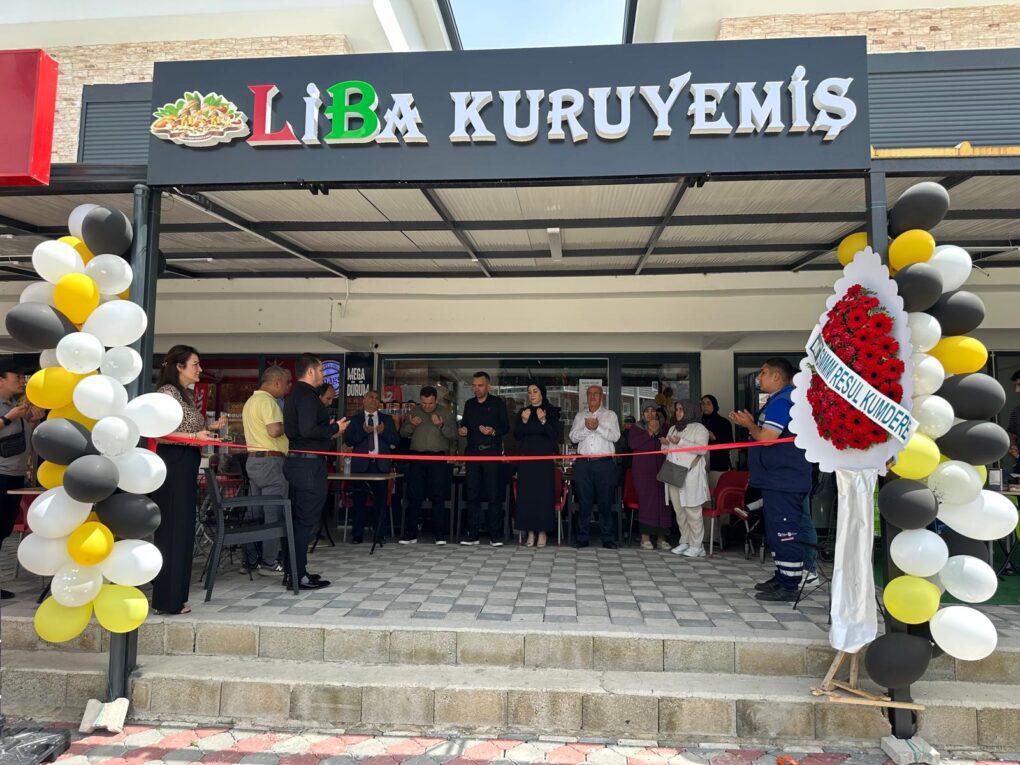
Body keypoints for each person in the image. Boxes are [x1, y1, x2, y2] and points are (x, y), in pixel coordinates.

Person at [150, 345, 227, 615]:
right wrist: (195, 437)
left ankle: (177, 597)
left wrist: (208, 429)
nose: (200, 369)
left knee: (183, 529)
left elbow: (183, 428)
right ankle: (167, 599)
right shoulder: (167, 394)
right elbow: (158, 432)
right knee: (172, 530)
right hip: (173, 463)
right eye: (195, 364)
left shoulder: (185, 394)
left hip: (186, 462)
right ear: (179, 366)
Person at [728, 358, 813, 602]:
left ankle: (789, 585)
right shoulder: (777, 400)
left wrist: (749, 425)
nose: (759, 377)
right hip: (775, 479)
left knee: (785, 531)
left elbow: (767, 438)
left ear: (777, 376)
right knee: (776, 531)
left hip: (784, 479)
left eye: (763, 373)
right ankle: (782, 575)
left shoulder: (784, 401)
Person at [284, 353, 348, 590]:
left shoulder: (296, 395)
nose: (324, 374)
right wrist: (334, 428)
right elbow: (308, 430)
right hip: (308, 465)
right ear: (310, 371)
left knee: (299, 520)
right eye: (321, 370)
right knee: (304, 521)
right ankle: (297, 575)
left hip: (301, 463)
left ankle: (294, 571)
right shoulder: (307, 396)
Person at [240, 365, 292, 576]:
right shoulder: (268, 401)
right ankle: (270, 562)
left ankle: (250, 560)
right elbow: (274, 430)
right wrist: (290, 424)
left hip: (254, 460)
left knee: (255, 513)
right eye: (286, 383)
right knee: (274, 513)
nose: (287, 388)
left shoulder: (250, 401)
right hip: (271, 461)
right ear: (277, 382)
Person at [0, 360, 43, 600]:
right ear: (1, 380)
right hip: (2, 474)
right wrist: (8, 418)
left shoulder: (14, 407)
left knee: (3, 529)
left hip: (14, 475)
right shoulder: (9, 410)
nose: (21, 381)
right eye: (16, 376)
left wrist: (32, 422)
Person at [399, 385, 456, 544]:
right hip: (417, 457)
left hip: (437, 457)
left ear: (436, 400)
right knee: (414, 495)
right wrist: (412, 425)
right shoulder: (414, 411)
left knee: (438, 496)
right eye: (424, 403)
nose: (427, 406)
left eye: (430, 403)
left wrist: (441, 426)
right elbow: (403, 433)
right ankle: (411, 534)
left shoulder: (446, 413)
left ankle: (439, 535)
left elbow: (454, 435)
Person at [458, 372, 509, 546]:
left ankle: (495, 535)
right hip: (472, 452)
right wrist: (463, 430)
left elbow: (506, 427)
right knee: (472, 494)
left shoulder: (497, 403)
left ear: (488, 386)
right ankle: (472, 534)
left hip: (491, 452)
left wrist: (493, 431)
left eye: (480, 385)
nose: (476, 388)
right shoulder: (469, 404)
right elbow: (464, 426)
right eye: (474, 385)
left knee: (494, 494)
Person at [344, 389, 399, 544]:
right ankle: (357, 535)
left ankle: (379, 534)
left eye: (376, 398)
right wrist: (363, 431)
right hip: (361, 465)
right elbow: (348, 440)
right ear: (364, 400)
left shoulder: (386, 419)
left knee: (380, 500)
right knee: (359, 500)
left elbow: (396, 440)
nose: (374, 400)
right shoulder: (355, 420)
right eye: (371, 397)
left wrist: (383, 432)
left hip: (380, 465)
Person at [569, 385, 620, 549]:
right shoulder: (580, 416)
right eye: (590, 394)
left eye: (596, 394)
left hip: (605, 463)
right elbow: (573, 437)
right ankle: (582, 537)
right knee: (584, 502)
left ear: (601, 397)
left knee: (605, 502)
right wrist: (586, 428)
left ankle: (608, 538)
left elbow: (616, 436)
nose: (592, 397)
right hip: (584, 463)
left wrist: (598, 427)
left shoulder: (610, 415)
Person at [514, 382, 560, 548]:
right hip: (526, 461)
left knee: (543, 496)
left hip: (543, 462)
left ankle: (542, 532)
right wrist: (524, 421)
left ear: (542, 393)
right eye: (529, 392)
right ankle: (530, 532)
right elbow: (517, 435)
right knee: (527, 496)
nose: (532, 394)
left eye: (535, 391)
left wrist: (543, 420)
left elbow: (555, 434)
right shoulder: (524, 412)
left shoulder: (551, 411)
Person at [664, 400, 711, 558]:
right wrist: (665, 445)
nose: (678, 412)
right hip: (674, 474)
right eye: (676, 409)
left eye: (681, 409)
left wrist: (681, 442)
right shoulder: (673, 428)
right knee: (679, 511)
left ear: (690, 410)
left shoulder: (700, 428)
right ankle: (684, 541)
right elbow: (668, 449)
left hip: (691, 476)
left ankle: (697, 545)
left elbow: (702, 449)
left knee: (692, 511)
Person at [628, 405, 672, 550]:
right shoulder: (636, 428)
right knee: (647, 502)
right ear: (642, 414)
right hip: (643, 472)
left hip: (663, 470)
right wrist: (649, 432)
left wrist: (658, 432)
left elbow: (670, 444)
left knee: (664, 502)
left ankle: (662, 538)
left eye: (653, 410)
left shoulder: (665, 428)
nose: (650, 413)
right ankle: (645, 537)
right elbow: (633, 444)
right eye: (646, 411)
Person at [701, 394, 734, 489]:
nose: (705, 406)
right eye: (703, 404)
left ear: (714, 405)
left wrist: (715, 438)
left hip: (718, 466)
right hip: (700, 467)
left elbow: (730, 444)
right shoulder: (698, 423)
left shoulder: (723, 422)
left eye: (708, 403)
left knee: (716, 493)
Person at [1008, 370, 1020, 466]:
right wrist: (1013, 447)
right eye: (1015, 386)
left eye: (1019, 385)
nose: (1017, 390)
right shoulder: (1016, 412)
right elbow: (1013, 436)